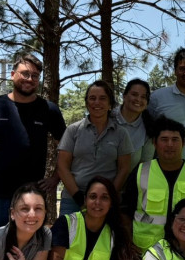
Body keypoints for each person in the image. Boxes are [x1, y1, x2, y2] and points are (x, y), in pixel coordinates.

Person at [0, 54, 66, 240]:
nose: (29, 79)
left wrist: (56, 177)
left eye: (35, 76)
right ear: (12, 74)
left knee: (28, 248)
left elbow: (66, 148)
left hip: (30, 196)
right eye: (25, 73)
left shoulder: (49, 110)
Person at [122, 116, 185, 253]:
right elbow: (126, 212)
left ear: (183, 143)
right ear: (155, 143)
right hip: (145, 252)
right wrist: (130, 248)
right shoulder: (140, 172)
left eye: (175, 139)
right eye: (164, 139)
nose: (169, 144)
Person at [57, 80, 133, 217]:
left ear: (110, 104)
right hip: (73, 200)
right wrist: (79, 198)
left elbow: (124, 169)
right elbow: (62, 166)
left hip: (105, 201)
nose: (97, 102)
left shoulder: (121, 134)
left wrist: (108, 196)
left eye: (102, 98)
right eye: (92, 98)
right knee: (68, 232)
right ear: (87, 103)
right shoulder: (73, 130)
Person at [113, 78, 155, 169]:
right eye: (134, 94)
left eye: (143, 97)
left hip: (130, 178)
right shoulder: (107, 117)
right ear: (124, 96)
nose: (138, 99)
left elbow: (145, 167)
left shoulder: (149, 128)